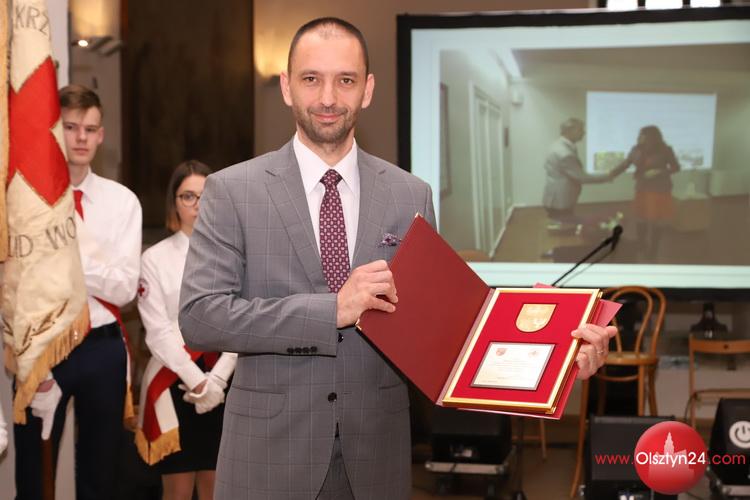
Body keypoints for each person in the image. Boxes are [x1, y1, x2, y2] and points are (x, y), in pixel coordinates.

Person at [179, 17, 615, 500]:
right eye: (311, 79)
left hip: (376, 460)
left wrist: (554, 357)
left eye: (345, 80)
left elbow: (444, 333)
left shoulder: (411, 195)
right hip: (268, 459)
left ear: (367, 90)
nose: (328, 97)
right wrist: (331, 310)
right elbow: (201, 317)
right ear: (286, 87)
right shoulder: (232, 190)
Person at [14, 84, 142, 500]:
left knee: (99, 476)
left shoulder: (122, 202)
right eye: (71, 127)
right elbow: (17, 281)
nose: (81, 138)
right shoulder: (25, 201)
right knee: (33, 475)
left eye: (90, 129)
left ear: (101, 135)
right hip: (41, 343)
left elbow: (124, 288)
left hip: (101, 346)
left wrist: (64, 255)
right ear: (55, 131)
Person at [136, 160, 237, 500]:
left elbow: (242, 317)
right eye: (188, 196)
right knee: (178, 491)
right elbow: (157, 330)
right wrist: (197, 380)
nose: (197, 204)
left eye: (205, 196)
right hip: (177, 379)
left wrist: (218, 379)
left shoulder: (234, 254)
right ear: (174, 202)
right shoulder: (155, 258)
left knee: (217, 488)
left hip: (225, 380)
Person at [612, 125, 680, 259]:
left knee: (656, 220)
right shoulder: (636, 149)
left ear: (652, 137)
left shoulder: (665, 150)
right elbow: (625, 164)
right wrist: (611, 174)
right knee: (640, 217)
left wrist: (659, 171)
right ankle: (641, 244)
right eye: (639, 134)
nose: (639, 137)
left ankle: (654, 249)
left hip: (659, 189)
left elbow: (676, 167)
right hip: (642, 188)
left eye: (642, 135)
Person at [542, 118, 619, 223]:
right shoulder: (564, 153)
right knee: (567, 226)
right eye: (581, 129)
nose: (584, 132)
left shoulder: (557, 145)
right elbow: (582, 177)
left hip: (556, 197)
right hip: (561, 200)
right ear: (570, 130)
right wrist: (607, 176)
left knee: (562, 225)